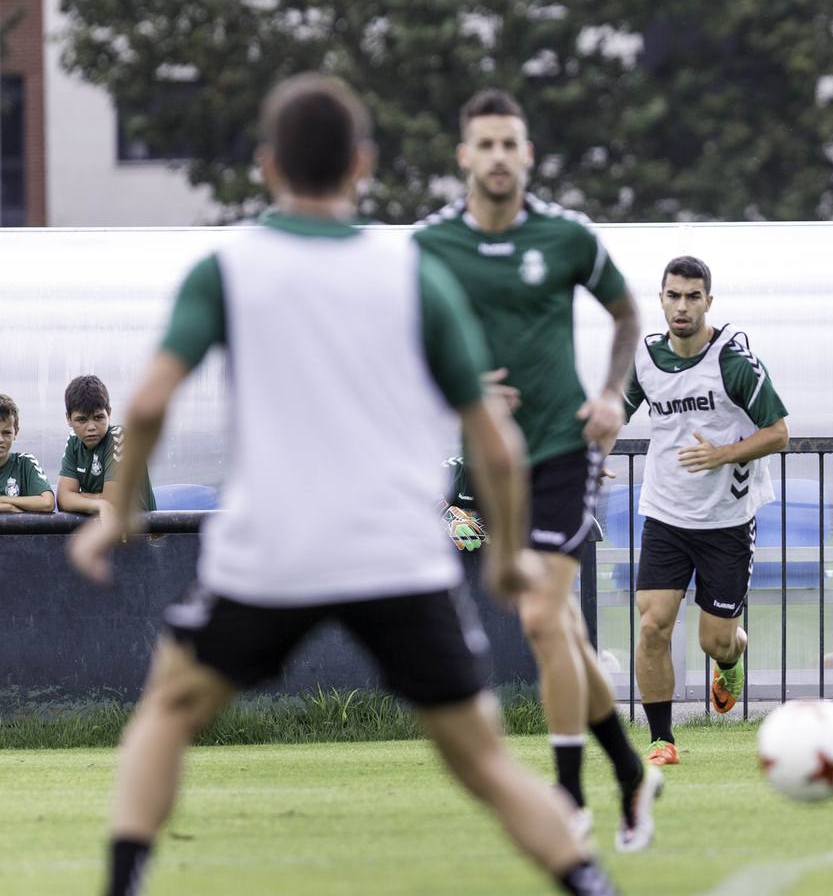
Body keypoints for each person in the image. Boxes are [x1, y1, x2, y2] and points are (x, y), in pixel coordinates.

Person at [67, 74, 618, 896]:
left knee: (169, 713)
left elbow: (145, 402)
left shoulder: (228, 268)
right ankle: (589, 883)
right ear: (361, 165)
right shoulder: (413, 274)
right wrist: (504, 555)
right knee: (486, 764)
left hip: (270, 555)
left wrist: (116, 514)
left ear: (266, 167)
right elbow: (495, 446)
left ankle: (121, 884)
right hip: (396, 554)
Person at [415, 89, 659, 850]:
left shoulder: (565, 237)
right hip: (491, 464)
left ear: (526, 154)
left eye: (508, 144)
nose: (496, 157)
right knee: (568, 632)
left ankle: (568, 796)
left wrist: (613, 395)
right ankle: (629, 771)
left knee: (539, 616)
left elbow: (625, 313)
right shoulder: (430, 246)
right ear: (464, 156)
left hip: (563, 448)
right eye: (483, 144)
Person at [622, 256, 790, 765]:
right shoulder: (646, 359)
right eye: (673, 295)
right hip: (665, 516)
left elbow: (779, 432)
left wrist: (721, 455)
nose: (682, 306)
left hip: (726, 521)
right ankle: (660, 740)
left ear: (708, 302)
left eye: (693, 297)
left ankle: (730, 660)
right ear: (661, 299)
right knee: (652, 625)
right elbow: (613, 412)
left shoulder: (734, 363)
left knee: (714, 641)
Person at [58, 375, 157, 516]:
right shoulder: (74, 440)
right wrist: (100, 501)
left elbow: (113, 503)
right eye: (82, 420)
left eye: (98, 417)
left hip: (141, 532)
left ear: (109, 412)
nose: (91, 427)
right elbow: (63, 499)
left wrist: (79, 497)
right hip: (102, 526)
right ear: (68, 418)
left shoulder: (119, 436)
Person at [0, 394, 56, 513]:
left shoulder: (25, 463)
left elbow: (47, 503)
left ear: (16, 432)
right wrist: (9, 508)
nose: (0, 439)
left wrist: (4, 499)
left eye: (6, 433)